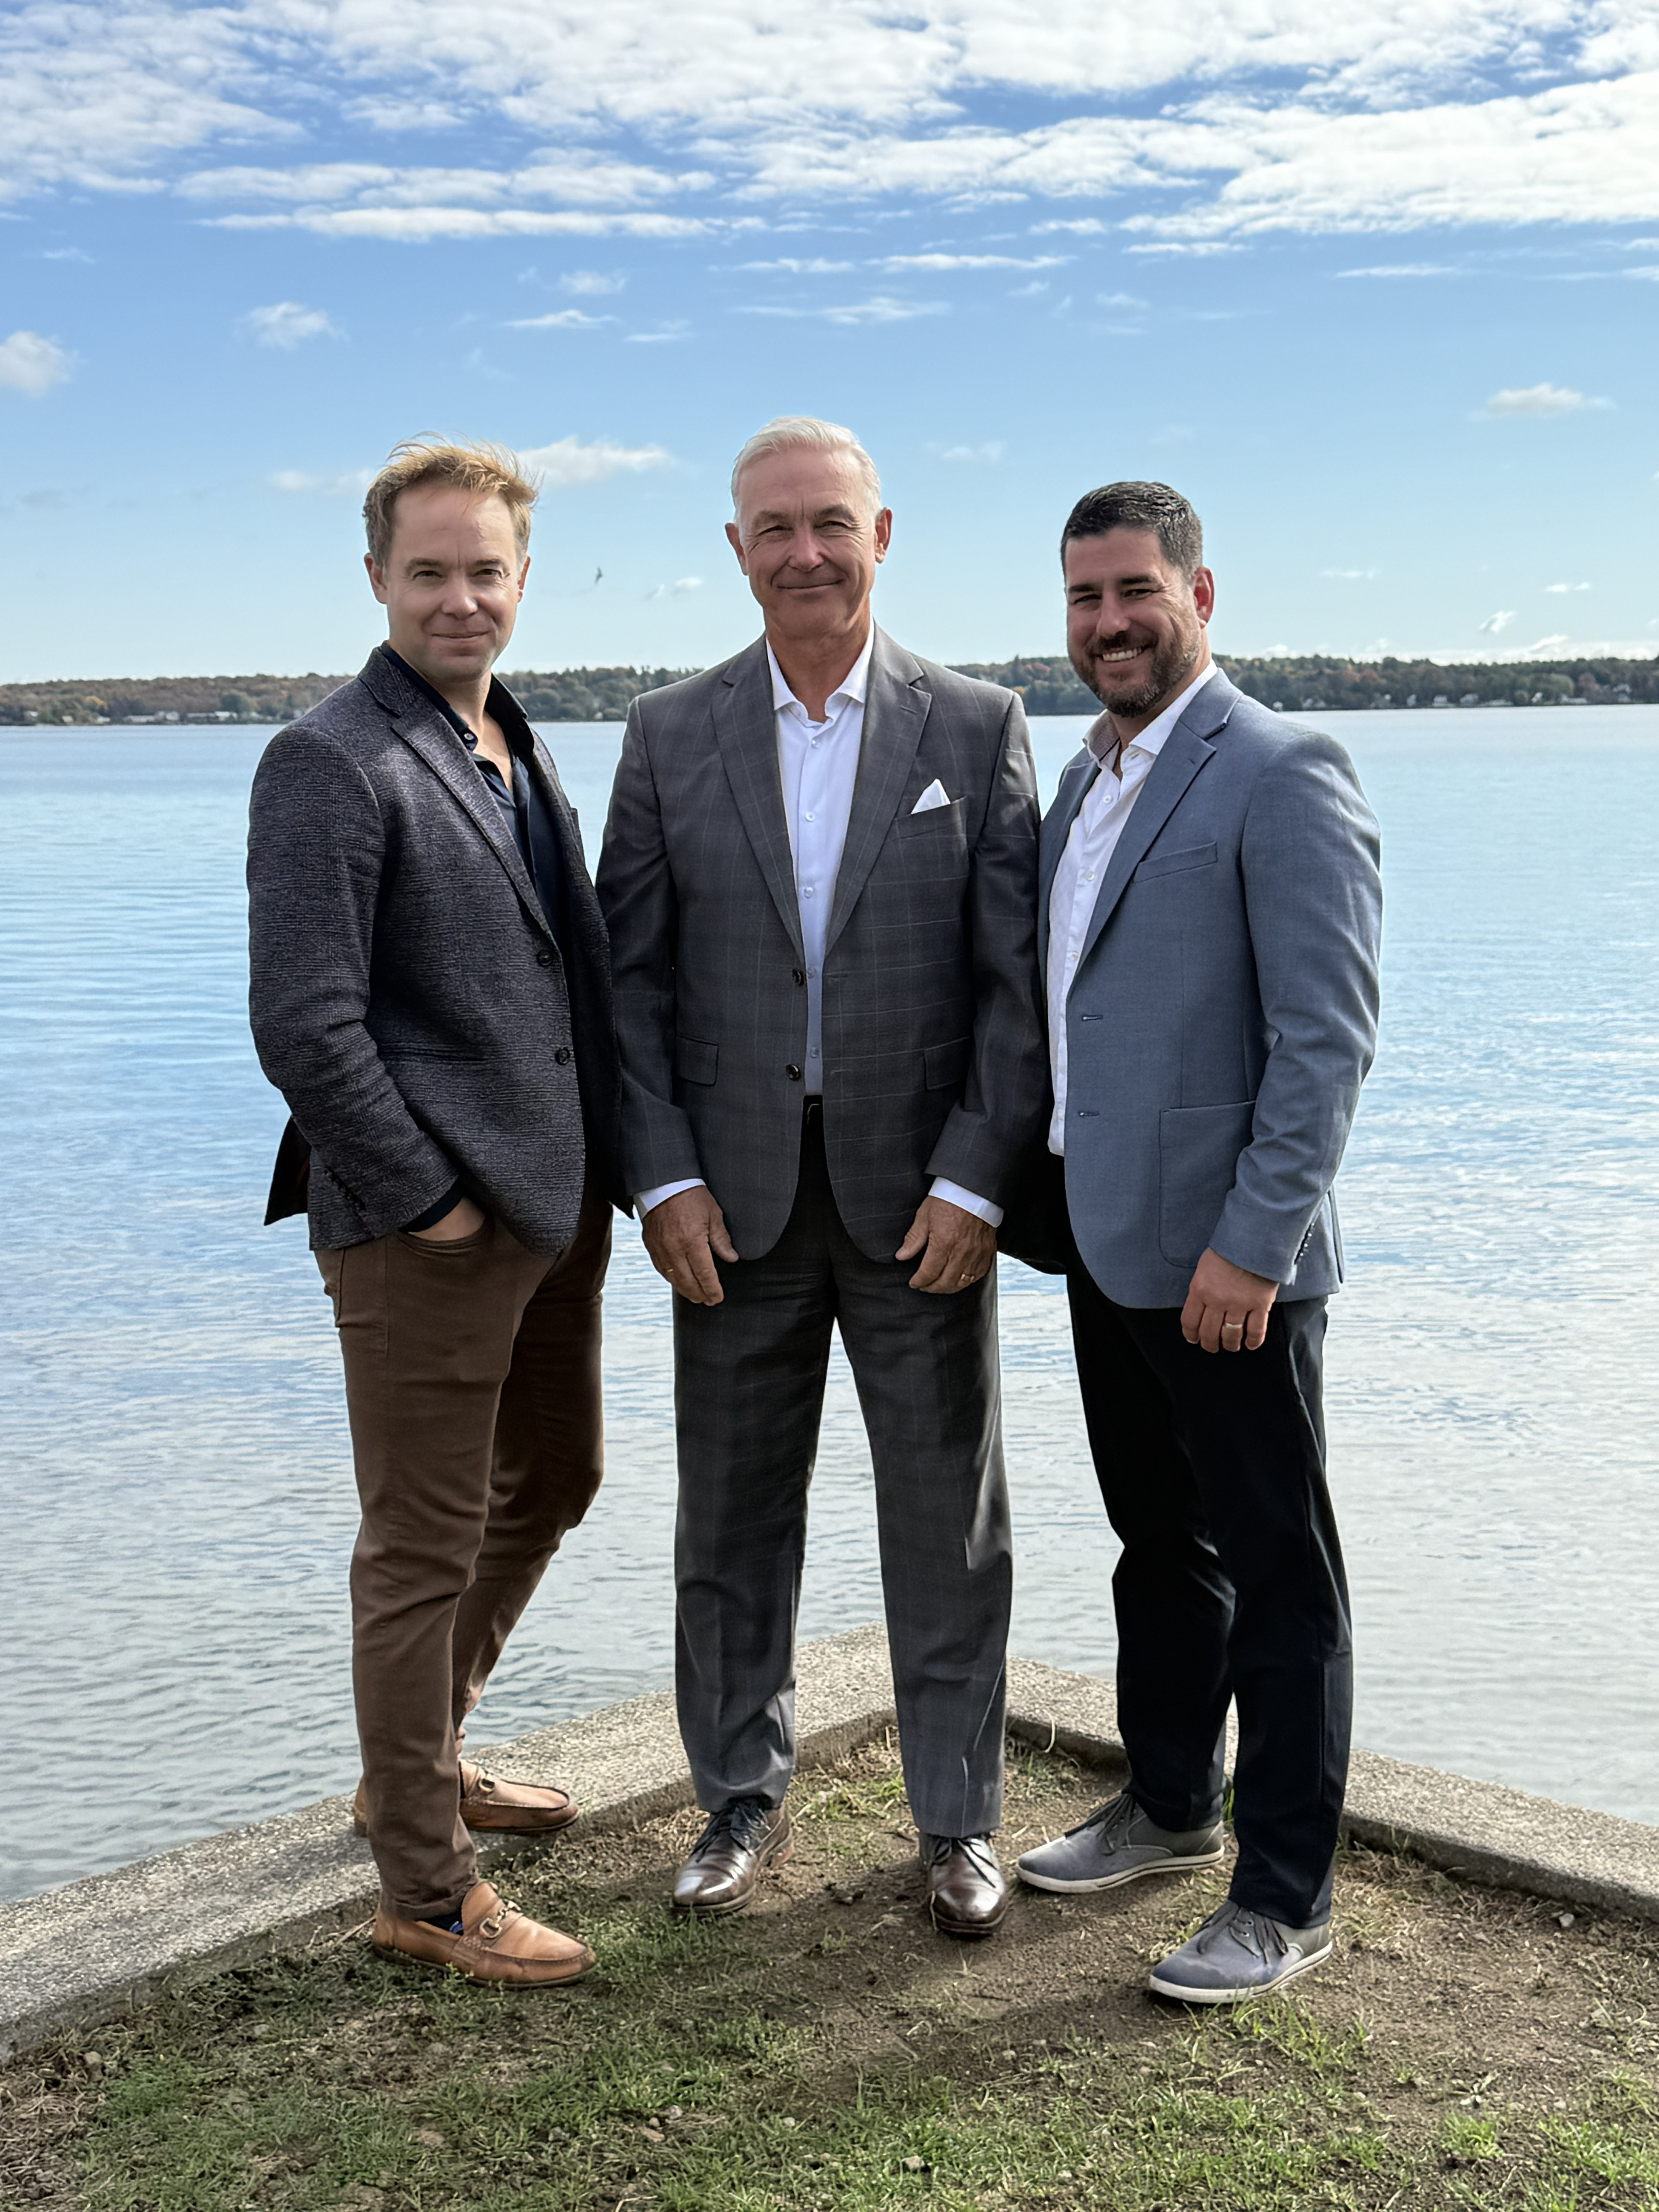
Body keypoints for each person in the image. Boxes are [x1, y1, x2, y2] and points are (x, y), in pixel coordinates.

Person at [597, 416, 1046, 1938]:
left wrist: (978, 1181)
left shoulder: (975, 728)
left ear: (882, 535)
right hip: (728, 1208)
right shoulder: (667, 733)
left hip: (919, 1204)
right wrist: (660, 1179)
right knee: (729, 1518)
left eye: (830, 524)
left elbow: (1015, 986)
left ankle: (958, 1822)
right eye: (775, 529)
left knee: (947, 1520)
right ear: (737, 550)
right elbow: (628, 985)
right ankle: (738, 1798)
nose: (805, 554)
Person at [247, 440, 623, 1987]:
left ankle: (419, 1760)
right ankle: (424, 1885)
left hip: (556, 1207)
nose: (460, 597)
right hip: (428, 1231)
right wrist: (434, 1207)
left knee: (557, 1478)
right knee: (418, 1545)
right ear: (377, 580)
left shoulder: (513, 743)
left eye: (486, 571)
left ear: (522, 580)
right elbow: (304, 1023)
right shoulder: (329, 761)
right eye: (429, 571)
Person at [1010, 482, 1382, 2002]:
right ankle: (1170, 1803)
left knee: (1283, 1576)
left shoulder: (1281, 770)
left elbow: (1325, 1039)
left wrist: (1256, 1243)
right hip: (1109, 1244)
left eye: (1134, 592)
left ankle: (1283, 1898)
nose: (1108, 623)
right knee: (1160, 1546)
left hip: (1235, 1268)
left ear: (1199, 595)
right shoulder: (1083, 780)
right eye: (1084, 597)